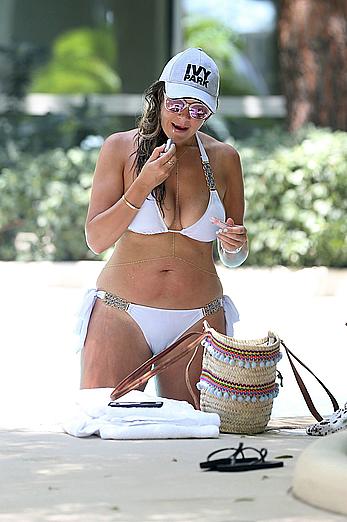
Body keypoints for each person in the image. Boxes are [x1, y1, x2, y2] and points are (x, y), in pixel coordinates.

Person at [76, 48, 248, 405]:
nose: (185, 116)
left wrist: (235, 245)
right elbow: (96, 239)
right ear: (160, 97)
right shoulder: (120, 148)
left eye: (198, 109)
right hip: (121, 312)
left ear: (209, 113)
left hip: (197, 321)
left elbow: (234, 256)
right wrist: (143, 183)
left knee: (195, 439)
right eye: (177, 104)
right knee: (100, 424)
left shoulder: (224, 159)